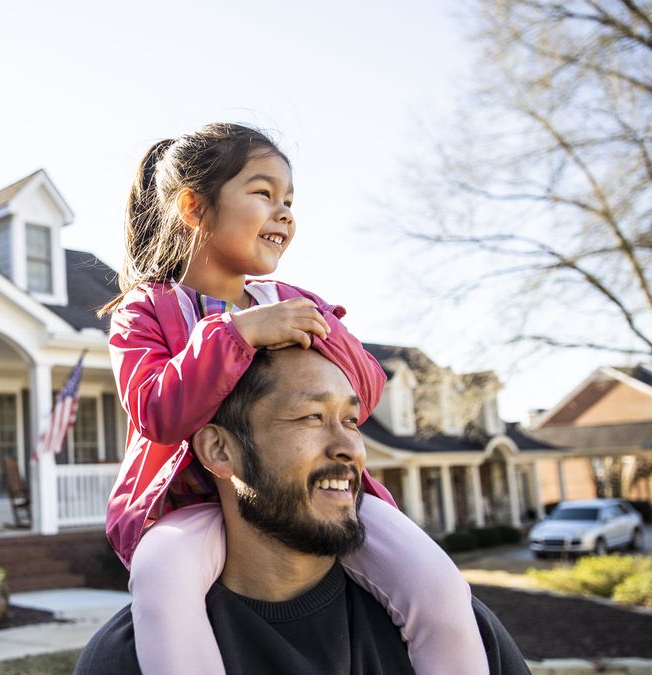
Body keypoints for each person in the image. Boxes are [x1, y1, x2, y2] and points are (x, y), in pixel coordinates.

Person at [99, 123, 487, 674]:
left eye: (289, 200)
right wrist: (236, 334)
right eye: (263, 192)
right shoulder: (145, 311)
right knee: (161, 575)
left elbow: (367, 386)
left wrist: (317, 331)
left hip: (317, 497)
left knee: (438, 581)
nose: (284, 213)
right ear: (193, 206)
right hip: (195, 505)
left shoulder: (296, 300)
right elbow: (157, 414)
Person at [77, 347, 530, 674]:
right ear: (219, 449)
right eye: (311, 417)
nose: (349, 448)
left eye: (351, 420)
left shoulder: (455, 629)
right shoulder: (128, 660)